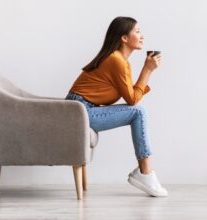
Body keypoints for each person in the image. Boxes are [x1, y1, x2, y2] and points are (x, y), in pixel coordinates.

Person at [65, 16, 168, 197]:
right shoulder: (116, 61)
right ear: (124, 38)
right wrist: (148, 70)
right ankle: (145, 173)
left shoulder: (120, 61)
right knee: (138, 112)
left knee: (138, 112)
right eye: (137, 31)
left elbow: (132, 97)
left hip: (82, 109)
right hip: (78, 111)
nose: (142, 36)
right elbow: (133, 100)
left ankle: (145, 173)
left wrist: (146, 71)